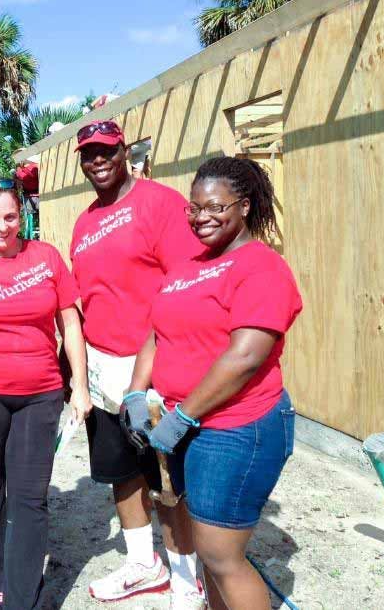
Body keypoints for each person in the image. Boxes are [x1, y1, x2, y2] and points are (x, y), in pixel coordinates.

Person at [124, 156, 302, 610]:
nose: (201, 218)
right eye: (194, 208)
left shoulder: (261, 266)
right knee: (205, 548)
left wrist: (183, 416)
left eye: (215, 207)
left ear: (244, 206)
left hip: (239, 427)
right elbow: (155, 333)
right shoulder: (187, 266)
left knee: (222, 554)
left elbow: (245, 356)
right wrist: (136, 391)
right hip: (189, 426)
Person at [69, 119, 206, 608]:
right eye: (89, 154)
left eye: (107, 150)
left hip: (153, 365)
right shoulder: (84, 223)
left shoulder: (160, 204)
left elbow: (187, 284)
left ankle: (187, 577)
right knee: (120, 469)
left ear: (124, 150)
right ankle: (142, 565)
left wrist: (160, 364)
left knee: (165, 475)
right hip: (104, 366)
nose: (98, 160)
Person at [0, 179, 92, 610]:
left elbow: (70, 323)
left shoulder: (46, 257)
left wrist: (81, 388)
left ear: (22, 216)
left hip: (40, 394)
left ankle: (19, 599)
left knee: (30, 496)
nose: (2, 227)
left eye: (10, 217)